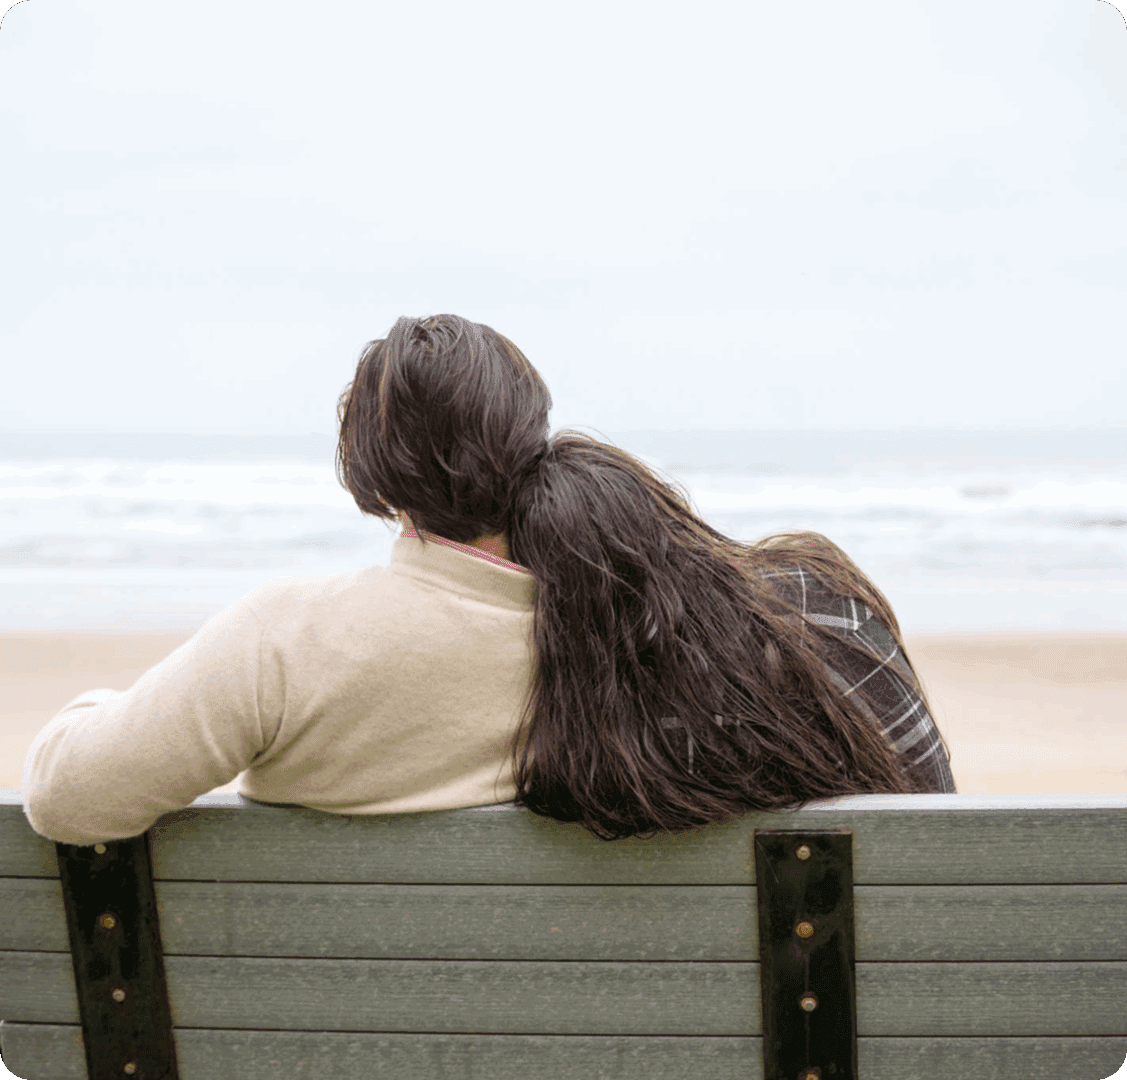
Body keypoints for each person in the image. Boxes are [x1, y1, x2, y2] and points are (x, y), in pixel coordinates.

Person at [22, 313, 954, 847]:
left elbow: (70, 798)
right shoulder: (681, 637)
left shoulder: (289, 646)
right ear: (530, 430)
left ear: (373, 480)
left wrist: (106, 706)